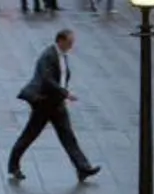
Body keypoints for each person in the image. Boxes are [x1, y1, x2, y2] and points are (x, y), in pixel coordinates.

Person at [7, 29, 99, 183]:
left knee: (68, 136)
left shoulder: (62, 56)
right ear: (60, 41)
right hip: (44, 102)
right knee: (29, 135)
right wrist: (65, 93)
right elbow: (47, 79)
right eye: (69, 42)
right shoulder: (48, 56)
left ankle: (83, 168)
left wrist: (62, 95)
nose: (71, 46)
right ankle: (13, 165)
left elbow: (62, 77)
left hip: (57, 103)